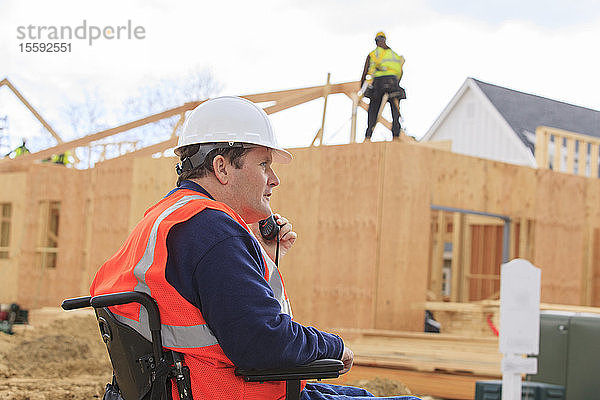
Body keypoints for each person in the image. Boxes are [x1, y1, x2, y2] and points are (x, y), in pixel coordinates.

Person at [90, 96, 420, 400]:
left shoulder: (171, 217)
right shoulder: (214, 232)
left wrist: (261, 253)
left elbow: (222, 312)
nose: (274, 179)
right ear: (221, 168)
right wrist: (335, 346)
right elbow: (264, 342)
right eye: (264, 164)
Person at [360, 31, 406, 141]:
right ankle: (396, 135)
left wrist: (361, 88)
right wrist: (396, 83)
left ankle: (368, 135)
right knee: (395, 108)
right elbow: (400, 71)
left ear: (376, 41)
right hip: (394, 82)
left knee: (373, 109)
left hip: (379, 83)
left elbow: (365, 72)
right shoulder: (394, 55)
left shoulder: (374, 54)